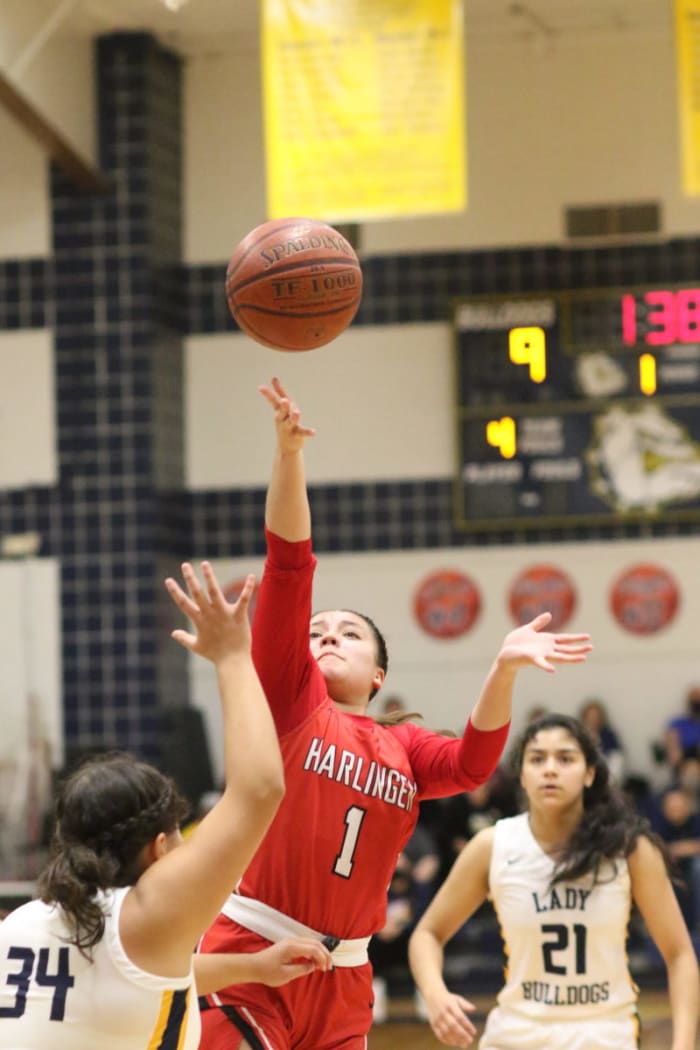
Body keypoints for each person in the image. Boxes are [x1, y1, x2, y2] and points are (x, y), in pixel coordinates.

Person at [197, 377, 593, 1050]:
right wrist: (288, 456)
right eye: (317, 630)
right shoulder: (292, 701)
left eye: (348, 633)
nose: (326, 636)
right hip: (252, 951)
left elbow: (472, 764)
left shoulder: (403, 746)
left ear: (379, 675)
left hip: (345, 974)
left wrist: (502, 669)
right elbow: (291, 565)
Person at [0, 564, 332, 1049]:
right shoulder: (147, 917)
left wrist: (253, 967)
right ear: (159, 847)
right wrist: (233, 657)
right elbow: (260, 788)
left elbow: (134, 971)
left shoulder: (27, 920)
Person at [408, 713, 699, 1050]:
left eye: (565, 758)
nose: (550, 769)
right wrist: (435, 994)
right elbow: (427, 934)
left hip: (604, 1034)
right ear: (521, 775)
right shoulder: (494, 845)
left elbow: (680, 954)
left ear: (590, 773)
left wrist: (683, 1045)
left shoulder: (630, 848)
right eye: (537, 759)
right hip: (516, 1035)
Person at [578, 697, 625, 782]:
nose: (593, 720)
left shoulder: (609, 737)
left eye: (596, 717)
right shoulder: (575, 736)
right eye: (590, 717)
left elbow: (617, 762)